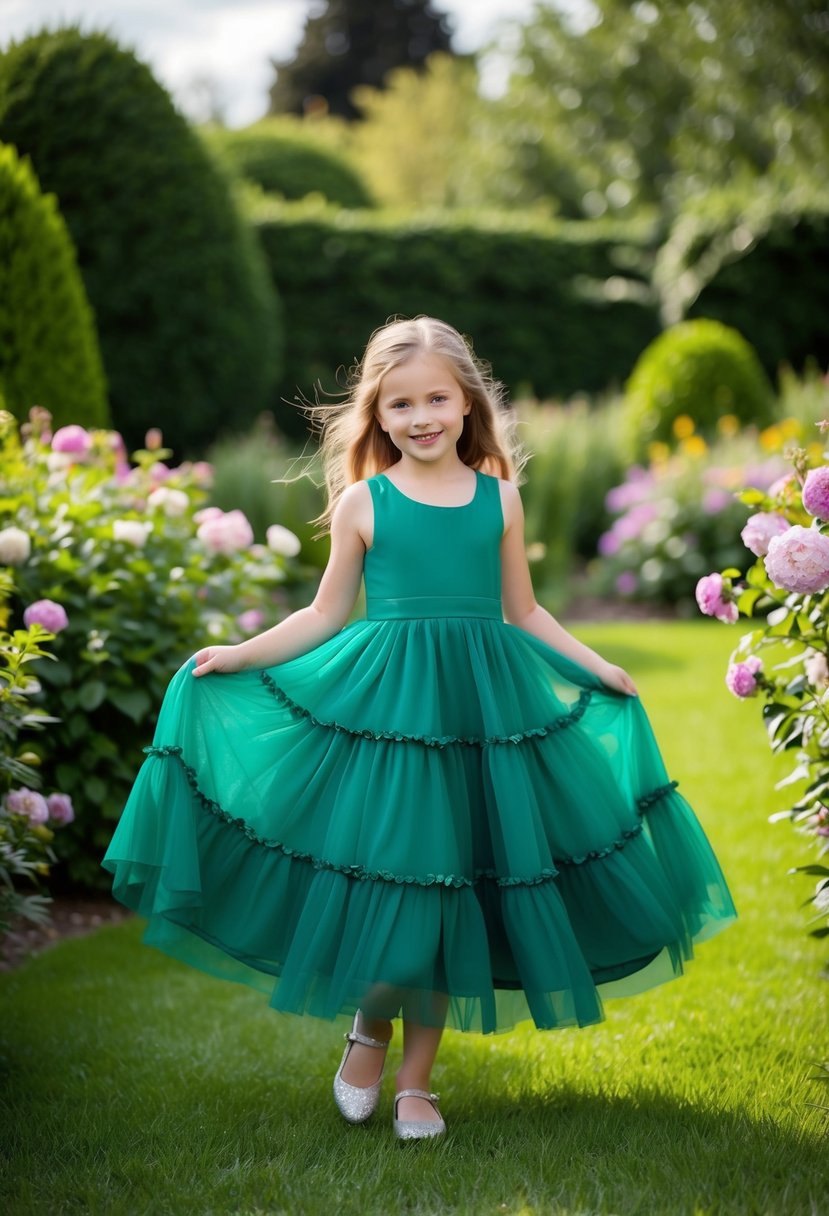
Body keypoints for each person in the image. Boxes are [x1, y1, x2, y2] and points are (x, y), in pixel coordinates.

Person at [102, 316, 736, 1141]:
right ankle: (369, 1026)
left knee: (456, 887)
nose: (421, 416)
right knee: (404, 882)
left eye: (436, 397)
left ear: (467, 403)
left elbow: (525, 610)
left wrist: (595, 669)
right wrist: (241, 652)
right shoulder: (365, 500)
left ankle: (417, 1083)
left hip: (482, 712)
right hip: (393, 718)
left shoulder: (497, 497)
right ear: (379, 415)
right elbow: (325, 612)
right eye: (401, 404)